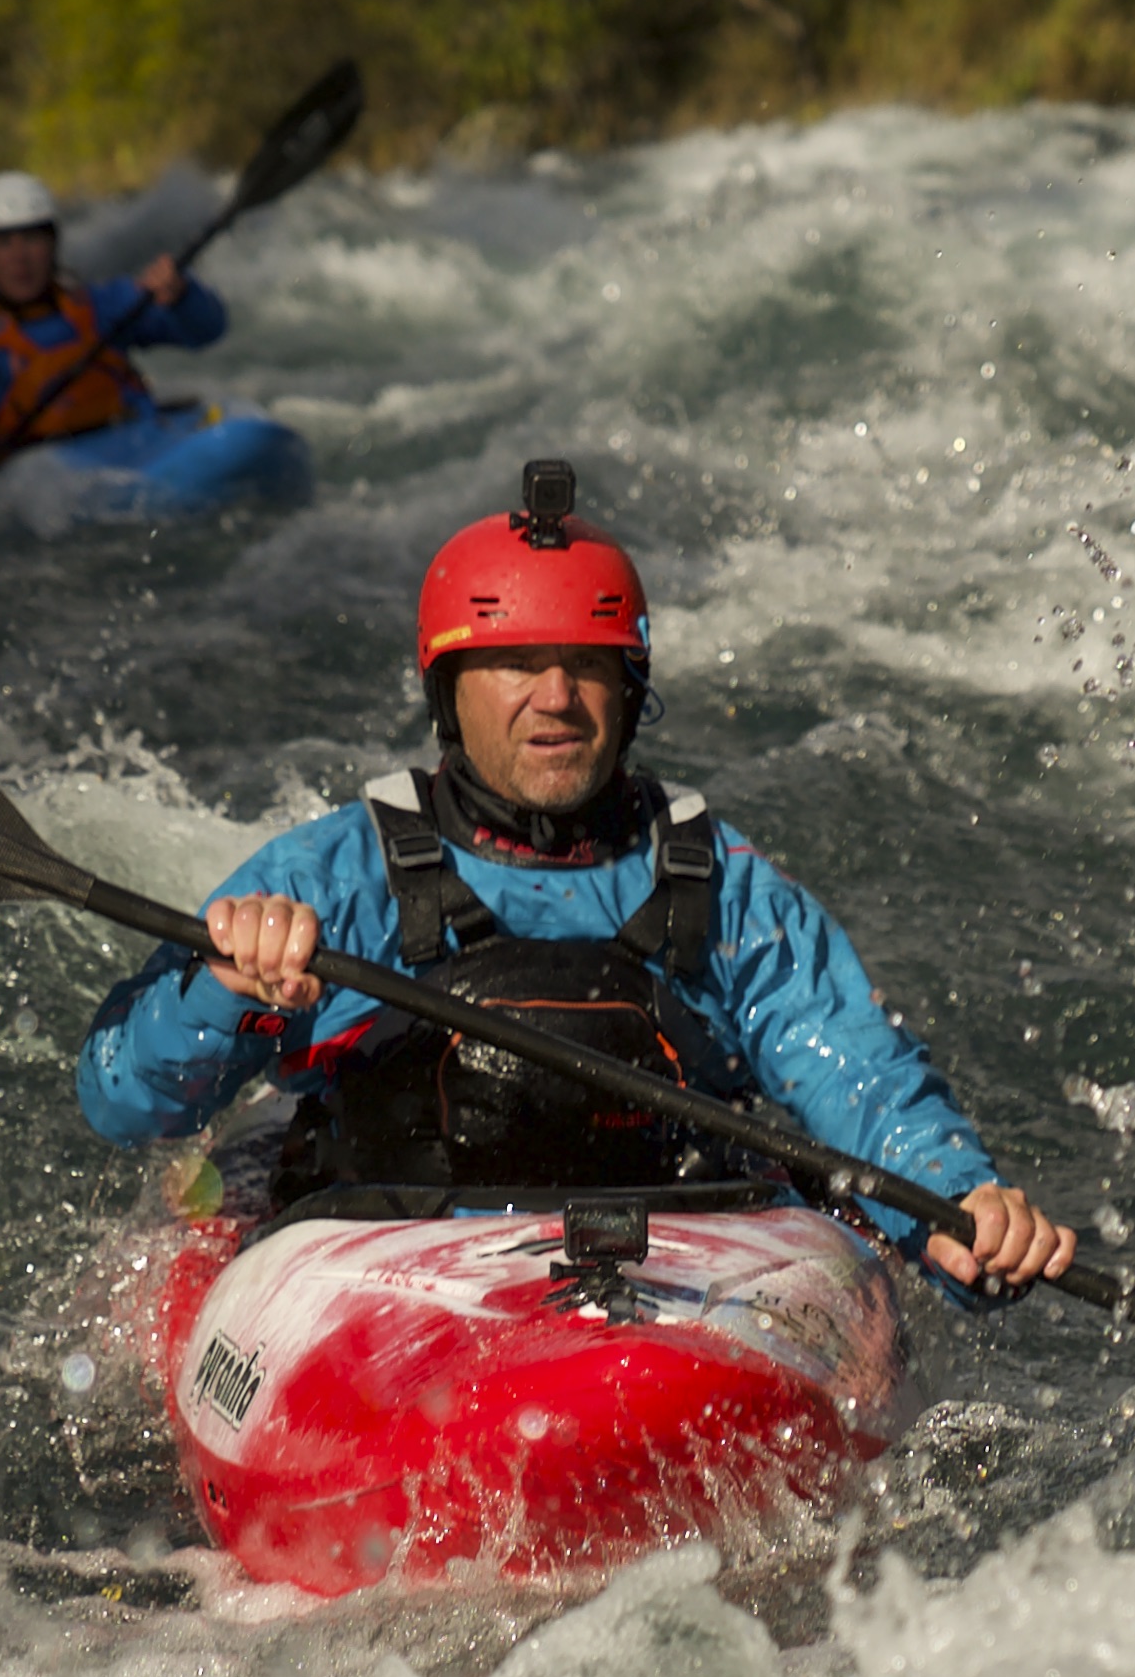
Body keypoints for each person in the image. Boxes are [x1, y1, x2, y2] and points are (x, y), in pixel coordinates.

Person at [76, 461, 1079, 1296]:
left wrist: (958, 1203)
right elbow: (123, 1099)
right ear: (448, 689)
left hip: (676, 1267)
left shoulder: (722, 888)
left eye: (587, 664)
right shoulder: (336, 875)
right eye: (515, 661)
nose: (554, 698)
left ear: (631, 691)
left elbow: (858, 1079)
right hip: (389, 1263)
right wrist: (226, 990)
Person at [0, 170, 228, 494]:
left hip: (141, 446)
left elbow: (208, 330)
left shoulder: (105, 307)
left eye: (32, 239)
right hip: (59, 486)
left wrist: (182, 296)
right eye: (3, 243)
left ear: (53, 244)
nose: (19, 257)